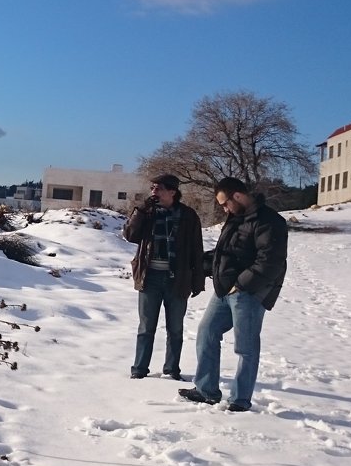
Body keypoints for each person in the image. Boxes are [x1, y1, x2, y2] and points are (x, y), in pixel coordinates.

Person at [179, 177, 287, 412]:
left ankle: (240, 399)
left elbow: (270, 262)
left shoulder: (270, 222)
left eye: (224, 203)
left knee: (246, 348)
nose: (223, 208)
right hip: (224, 291)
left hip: (249, 293)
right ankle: (206, 390)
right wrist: (199, 263)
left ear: (237, 196)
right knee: (207, 332)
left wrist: (240, 285)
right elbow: (224, 253)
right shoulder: (235, 218)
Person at [123, 174, 206, 380]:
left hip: (177, 279)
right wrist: (141, 210)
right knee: (146, 327)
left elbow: (197, 248)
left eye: (158, 188)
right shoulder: (147, 212)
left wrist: (197, 279)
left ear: (172, 192)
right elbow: (130, 235)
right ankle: (139, 369)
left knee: (175, 328)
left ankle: (171, 369)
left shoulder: (188, 215)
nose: (154, 191)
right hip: (149, 277)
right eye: (152, 187)